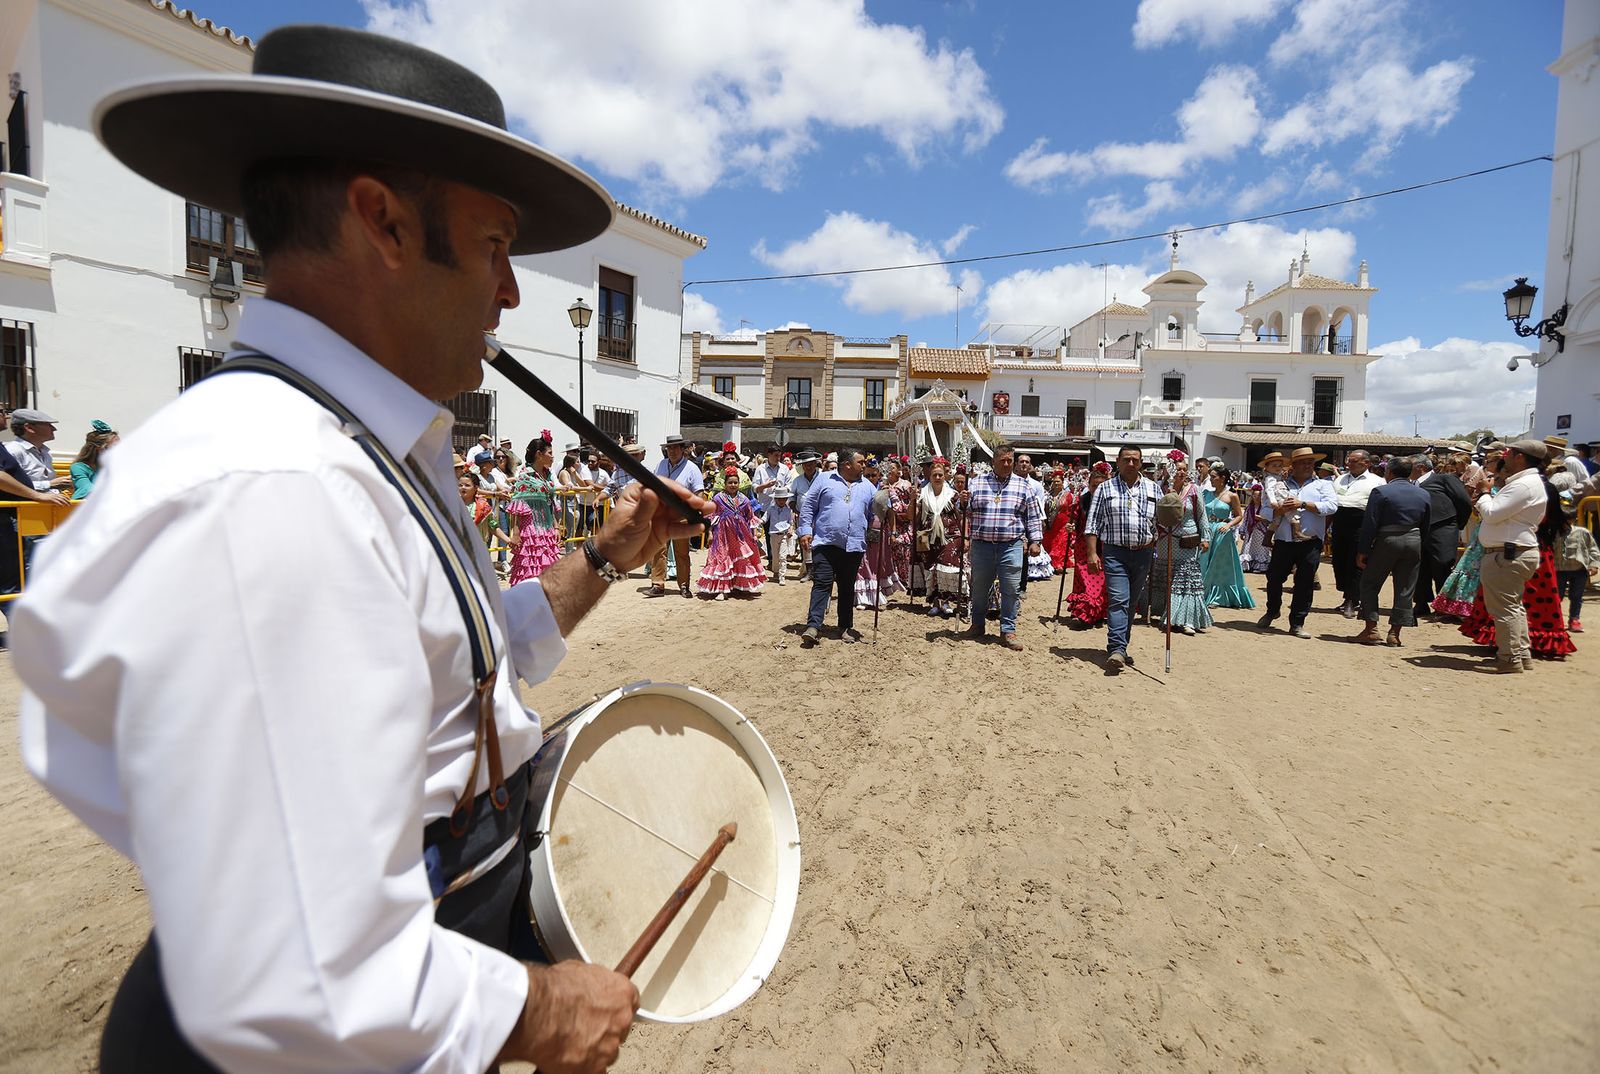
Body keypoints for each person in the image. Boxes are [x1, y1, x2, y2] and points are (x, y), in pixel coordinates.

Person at [14, 25, 714, 1074]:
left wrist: (602, 557)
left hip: (424, 954)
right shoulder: (274, 487)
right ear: (383, 222)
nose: (511, 293)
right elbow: (295, 973)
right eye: (492, 246)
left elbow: (466, 673)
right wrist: (543, 1010)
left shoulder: (363, 444)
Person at [1467, 440, 1554, 671]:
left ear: (1520, 457)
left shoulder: (1523, 484)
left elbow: (1493, 513)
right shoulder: (1528, 482)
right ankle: (1519, 654)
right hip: (1513, 551)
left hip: (1507, 554)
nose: (1505, 457)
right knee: (1513, 607)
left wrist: (1485, 493)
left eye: (1510, 453)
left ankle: (1509, 658)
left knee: (1504, 609)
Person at [1084, 446, 1159, 669]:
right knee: (1119, 600)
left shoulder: (1154, 488)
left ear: (1141, 462)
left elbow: (1164, 521)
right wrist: (1091, 553)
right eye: (1126, 460)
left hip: (1144, 552)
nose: (1130, 464)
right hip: (1115, 552)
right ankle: (1116, 648)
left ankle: (1121, 646)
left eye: (1135, 460)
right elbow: (1093, 523)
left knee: (1131, 602)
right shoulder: (1105, 489)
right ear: (1117, 461)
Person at [964, 444, 1043, 651]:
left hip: (1011, 545)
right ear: (994, 462)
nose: (1007, 464)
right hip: (982, 545)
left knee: (1011, 589)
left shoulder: (1023, 486)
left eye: (1010, 460)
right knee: (979, 588)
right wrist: (961, 502)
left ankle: (1008, 629)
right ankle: (977, 624)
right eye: (1003, 461)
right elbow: (964, 510)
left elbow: (1032, 516)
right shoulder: (976, 483)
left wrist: (1035, 541)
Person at [1257, 446, 1337, 638]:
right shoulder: (1280, 483)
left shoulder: (1323, 485)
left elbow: (1332, 506)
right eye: (1303, 462)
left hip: (1310, 541)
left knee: (1304, 583)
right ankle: (1272, 609)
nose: (1308, 465)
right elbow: (1265, 508)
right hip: (1284, 541)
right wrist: (1277, 511)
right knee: (1274, 578)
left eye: (1311, 462)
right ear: (1293, 465)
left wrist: (1302, 504)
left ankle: (1297, 623)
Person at [1352, 455, 1431, 646]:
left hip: (1387, 540)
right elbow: (1426, 524)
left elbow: (1370, 524)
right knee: (1405, 588)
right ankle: (1395, 634)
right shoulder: (1423, 494)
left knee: (1370, 583)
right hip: (1414, 540)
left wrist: (1363, 550)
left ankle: (1371, 629)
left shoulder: (1381, 491)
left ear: (1389, 472)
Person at [798, 447, 873, 645]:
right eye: (861, 462)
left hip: (854, 545)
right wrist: (805, 530)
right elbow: (808, 506)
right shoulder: (824, 479)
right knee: (822, 583)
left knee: (847, 587)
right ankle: (813, 626)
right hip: (826, 542)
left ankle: (845, 627)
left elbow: (876, 514)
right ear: (847, 464)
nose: (864, 465)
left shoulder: (868, 486)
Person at [1433, 452, 1500, 619]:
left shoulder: (1494, 480)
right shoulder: (1487, 477)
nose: (1486, 463)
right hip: (1483, 527)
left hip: (1491, 527)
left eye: (1490, 461)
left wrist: (1482, 497)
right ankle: (1463, 607)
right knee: (1471, 565)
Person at [1150, 462, 1212, 635]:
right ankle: (1167, 614)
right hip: (1164, 541)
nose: (1182, 472)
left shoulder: (1194, 490)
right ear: (1170, 471)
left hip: (1187, 541)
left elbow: (1201, 514)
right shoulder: (1160, 489)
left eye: (1185, 469)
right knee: (1167, 577)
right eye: (1178, 469)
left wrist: (1205, 537)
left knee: (1186, 579)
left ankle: (1187, 619)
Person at [1413, 454, 1472, 619]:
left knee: (1443, 563)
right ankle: (1421, 602)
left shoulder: (1443, 479)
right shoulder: (1410, 484)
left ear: (1420, 467)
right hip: (1417, 528)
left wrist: (1456, 523)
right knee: (1418, 566)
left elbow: (1463, 501)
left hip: (1442, 526)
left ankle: (1445, 605)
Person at [649, 434, 705, 597]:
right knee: (658, 550)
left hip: (682, 515)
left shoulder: (692, 468)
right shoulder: (660, 465)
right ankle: (657, 585)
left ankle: (684, 585)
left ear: (682, 449)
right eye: (669, 448)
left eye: (675, 448)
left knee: (681, 552)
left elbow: (699, 492)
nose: (672, 451)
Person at [504, 433, 563, 584]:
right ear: (539, 454)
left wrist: (556, 527)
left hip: (547, 529)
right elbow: (519, 506)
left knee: (547, 566)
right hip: (530, 530)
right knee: (530, 568)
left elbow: (550, 501)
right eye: (550, 453)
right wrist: (516, 534)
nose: (552, 457)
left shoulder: (548, 475)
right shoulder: (525, 475)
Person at [1329, 450, 1382, 617]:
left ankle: (1353, 599)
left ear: (1366, 463)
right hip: (1339, 521)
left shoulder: (1377, 481)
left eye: (1353, 461)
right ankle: (1346, 595)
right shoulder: (1340, 479)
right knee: (1339, 561)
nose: (1348, 464)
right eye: (1348, 461)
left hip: (1361, 523)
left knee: (1356, 562)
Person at [698, 466, 764, 600]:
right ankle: (722, 590)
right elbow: (712, 517)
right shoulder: (718, 498)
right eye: (730, 482)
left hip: (740, 536)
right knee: (722, 558)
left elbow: (750, 518)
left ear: (739, 484)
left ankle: (739, 586)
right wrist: (710, 533)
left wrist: (755, 534)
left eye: (735, 482)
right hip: (722, 535)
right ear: (725, 484)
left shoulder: (744, 500)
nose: (733, 485)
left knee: (740, 559)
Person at [855, 458, 910, 610]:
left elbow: (891, 513)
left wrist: (893, 532)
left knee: (878, 562)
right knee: (862, 562)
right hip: (861, 529)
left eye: (873, 475)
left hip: (881, 530)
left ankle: (877, 593)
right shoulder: (858, 488)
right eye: (867, 476)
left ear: (879, 475)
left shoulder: (885, 490)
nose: (870, 478)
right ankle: (862, 597)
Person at [1199, 466, 1254, 609]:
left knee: (1218, 565)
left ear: (1222, 478)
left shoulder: (1232, 496)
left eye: (1213, 477)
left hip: (1222, 532)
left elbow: (1239, 515)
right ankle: (1202, 592)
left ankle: (1217, 596)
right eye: (1210, 477)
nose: (1210, 479)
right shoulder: (1206, 493)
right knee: (1204, 561)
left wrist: (1229, 525)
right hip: (1207, 531)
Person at [917, 459, 964, 617]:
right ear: (929, 477)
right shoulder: (921, 494)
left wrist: (965, 536)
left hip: (949, 535)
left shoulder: (953, 495)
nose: (937, 478)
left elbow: (960, 516)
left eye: (940, 475)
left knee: (947, 567)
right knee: (929, 567)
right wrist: (912, 500)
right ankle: (935, 602)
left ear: (945, 477)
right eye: (934, 475)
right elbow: (915, 517)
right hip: (924, 535)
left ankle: (946, 601)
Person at [1066, 463, 1110, 627]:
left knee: (1102, 583)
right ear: (1089, 486)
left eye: (1100, 486)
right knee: (1086, 582)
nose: (1097, 489)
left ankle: (1098, 612)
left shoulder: (1110, 502)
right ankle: (1085, 613)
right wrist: (1071, 526)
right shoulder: (1081, 501)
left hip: (1104, 546)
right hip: (1084, 548)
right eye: (1094, 486)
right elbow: (1074, 522)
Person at [1553, 492, 1599, 631]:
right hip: (1559, 570)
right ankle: (1556, 620)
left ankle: (1574, 619)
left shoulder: (1582, 532)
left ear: (1574, 519)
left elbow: (1593, 549)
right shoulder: (1553, 532)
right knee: (1557, 596)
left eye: (1569, 520)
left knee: (1576, 596)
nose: (1566, 524)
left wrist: (1594, 564)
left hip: (1579, 570)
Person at [6, 408, 74, 493]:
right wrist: (50, 484)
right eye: (48, 425)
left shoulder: (45, 452)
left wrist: (61, 484)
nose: (54, 429)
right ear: (29, 428)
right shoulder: (13, 451)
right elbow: (9, 485)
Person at [789, 449, 823, 581]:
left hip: (821, 515)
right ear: (802, 466)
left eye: (811, 463)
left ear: (815, 463)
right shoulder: (797, 480)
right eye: (806, 464)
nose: (809, 466)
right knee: (806, 544)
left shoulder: (823, 477)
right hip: (803, 516)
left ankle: (820, 570)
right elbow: (791, 498)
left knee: (820, 543)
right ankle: (809, 572)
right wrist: (795, 510)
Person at [1258, 451, 1304, 542]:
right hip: (1277, 500)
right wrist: (1273, 501)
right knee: (1291, 510)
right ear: (1266, 467)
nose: (1277, 468)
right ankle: (1297, 532)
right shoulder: (1270, 478)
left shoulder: (1277, 477)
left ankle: (1267, 538)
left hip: (1277, 500)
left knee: (1277, 520)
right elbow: (1269, 490)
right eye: (1274, 465)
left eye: (1279, 465)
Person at [69, 420, 120, 499]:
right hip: (86, 507)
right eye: (113, 448)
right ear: (98, 449)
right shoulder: (79, 467)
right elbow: (87, 488)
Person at [1041, 470, 1075, 573]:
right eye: (1054, 481)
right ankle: (1050, 564)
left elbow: (1071, 510)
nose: (1056, 483)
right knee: (1050, 544)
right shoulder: (1047, 495)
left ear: (1062, 482)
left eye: (1058, 482)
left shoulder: (1068, 495)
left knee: (1061, 544)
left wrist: (1071, 522)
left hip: (1063, 524)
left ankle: (1059, 565)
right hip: (1051, 524)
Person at [1239, 484, 1271, 573]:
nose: (1257, 498)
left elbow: (1270, 519)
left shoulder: (1265, 508)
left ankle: (1260, 566)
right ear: (1252, 496)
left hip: (1261, 531)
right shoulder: (1249, 508)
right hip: (1251, 531)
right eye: (1255, 495)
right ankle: (1247, 565)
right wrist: (1242, 531)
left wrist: (1260, 518)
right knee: (1248, 547)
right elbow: (1245, 519)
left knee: (1261, 548)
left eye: (1259, 496)